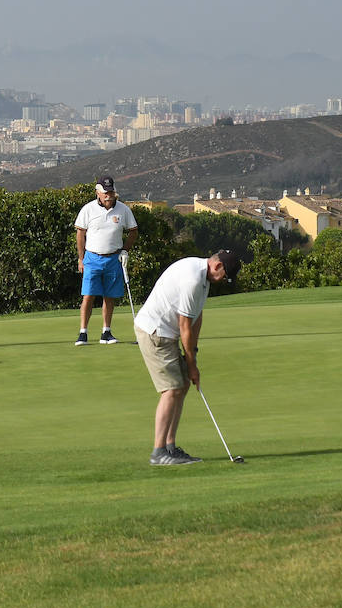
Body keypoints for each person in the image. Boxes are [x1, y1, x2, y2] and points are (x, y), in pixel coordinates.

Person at [134, 250, 242, 465]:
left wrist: (193, 355)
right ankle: (158, 452)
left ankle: (170, 447)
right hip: (155, 332)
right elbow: (184, 325)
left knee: (182, 385)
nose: (223, 281)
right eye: (225, 277)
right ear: (218, 266)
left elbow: (196, 317)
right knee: (171, 389)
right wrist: (191, 364)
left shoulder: (203, 277)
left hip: (168, 333)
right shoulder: (193, 279)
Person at [74, 175, 139, 345]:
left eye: (110, 192)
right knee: (88, 295)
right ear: (98, 193)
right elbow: (80, 234)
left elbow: (133, 231)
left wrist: (125, 250)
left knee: (109, 297)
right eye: (105, 192)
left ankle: (106, 332)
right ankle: (83, 333)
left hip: (113, 258)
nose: (108, 195)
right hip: (92, 258)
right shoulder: (88, 209)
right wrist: (81, 259)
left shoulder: (123, 210)